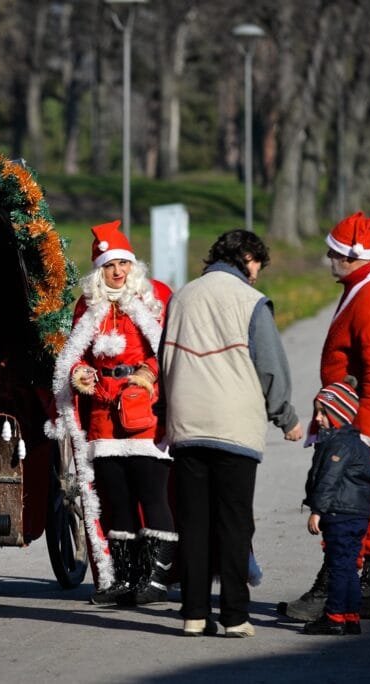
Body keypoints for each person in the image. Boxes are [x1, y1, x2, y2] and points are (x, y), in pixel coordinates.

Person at [157, 229, 304, 638]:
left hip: (187, 427)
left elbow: (164, 359)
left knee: (194, 523)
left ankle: (194, 613)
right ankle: (235, 615)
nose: (257, 275)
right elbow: (270, 365)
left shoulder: (181, 297)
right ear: (244, 257)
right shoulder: (250, 302)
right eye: (257, 264)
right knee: (234, 523)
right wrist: (285, 416)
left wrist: (165, 414)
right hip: (234, 429)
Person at [281, 212, 370, 622]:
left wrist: (363, 437)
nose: (327, 258)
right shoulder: (366, 286)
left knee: (344, 509)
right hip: (363, 424)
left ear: (352, 256)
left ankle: (339, 587)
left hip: (366, 428)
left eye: (334, 252)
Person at [47, 221, 175, 607]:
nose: (117, 272)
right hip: (103, 411)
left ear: (132, 266)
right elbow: (75, 355)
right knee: (116, 498)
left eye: (122, 263)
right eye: (109, 266)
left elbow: (167, 348)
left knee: (152, 494)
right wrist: (79, 373)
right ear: (98, 271)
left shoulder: (154, 299)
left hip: (144, 411)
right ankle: (125, 576)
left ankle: (156, 578)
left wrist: (150, 372)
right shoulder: (87, 306)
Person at [301, 377, 370, 636]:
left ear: (339, 413)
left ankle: (333, 617)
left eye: (323, 412)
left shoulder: (339, 444)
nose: (318, 418)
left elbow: (329, 480)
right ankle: (351, 616)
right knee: (348, 566)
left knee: (337, 566)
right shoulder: (357, 443)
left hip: (340, 513)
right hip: (357, 515)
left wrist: (317, 511)